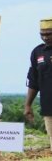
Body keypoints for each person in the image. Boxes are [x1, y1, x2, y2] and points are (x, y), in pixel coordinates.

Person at [25, 18, 52, 149]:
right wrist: (28, 105)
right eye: (43, 34)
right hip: (48, 106)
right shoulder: (37, 52)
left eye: (49, 33)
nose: (45, 37)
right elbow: (33, 81)